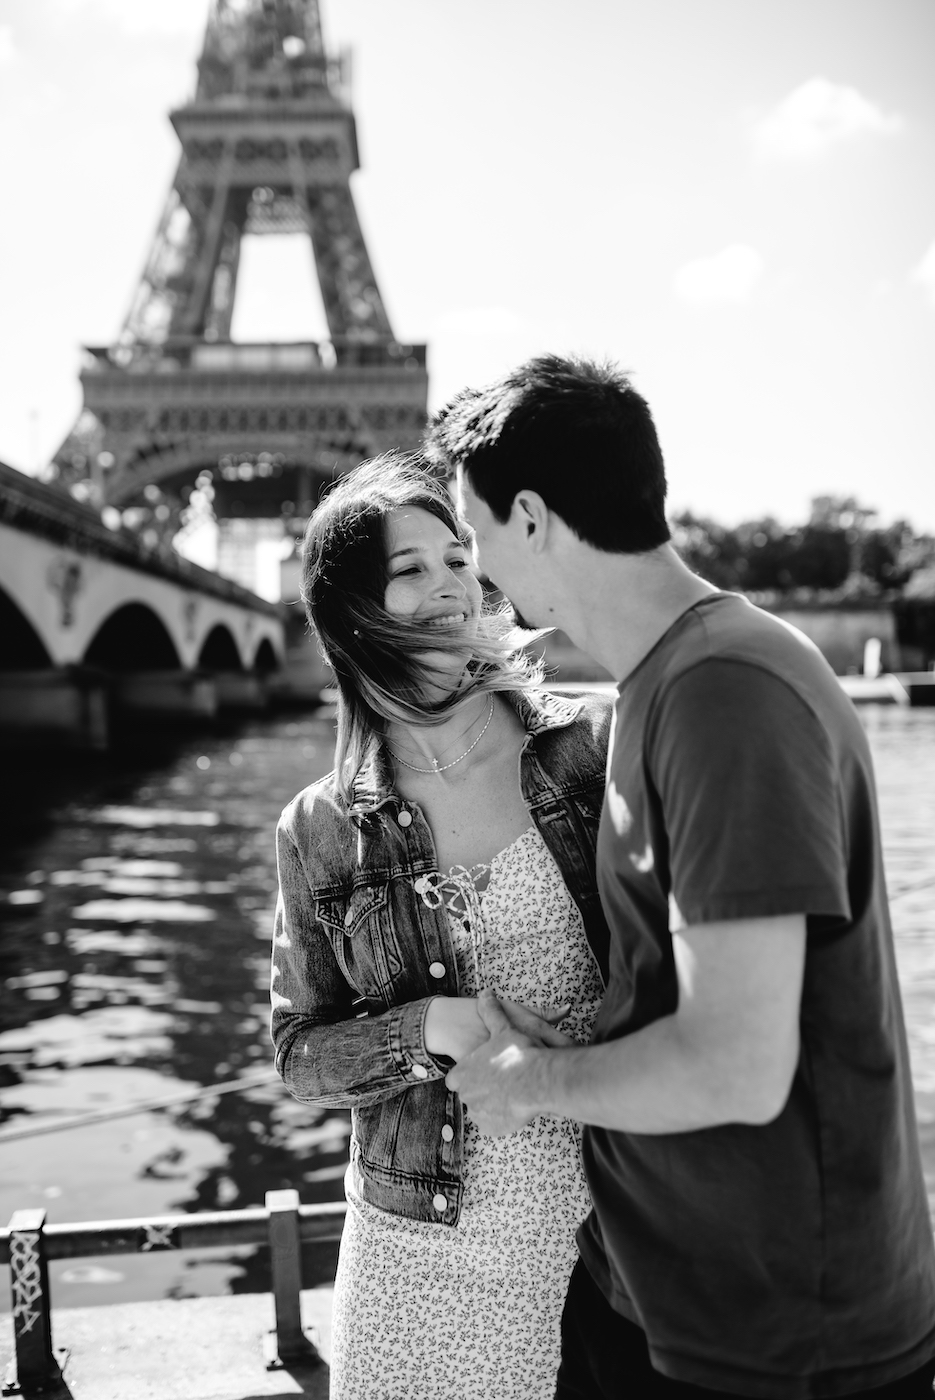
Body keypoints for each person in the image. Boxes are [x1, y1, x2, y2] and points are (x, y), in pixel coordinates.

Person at [427, 356, 935, 1400]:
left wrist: (532, 1083)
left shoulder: (722, 695)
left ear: (529, 517)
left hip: (771, 1343)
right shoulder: (673, 680)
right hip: (676, 1297)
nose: (474, 576)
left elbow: (736, 1063)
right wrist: (568, 1043)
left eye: (472, 537)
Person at [269, 454, 614, 1400]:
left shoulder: (596, 749)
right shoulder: (320, 828)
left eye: (458, 556)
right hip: (410, 1247)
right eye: (410, 568)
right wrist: (429, 1029)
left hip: (602, 1224)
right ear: (350, 611)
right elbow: (299, 1054)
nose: (451, 582)